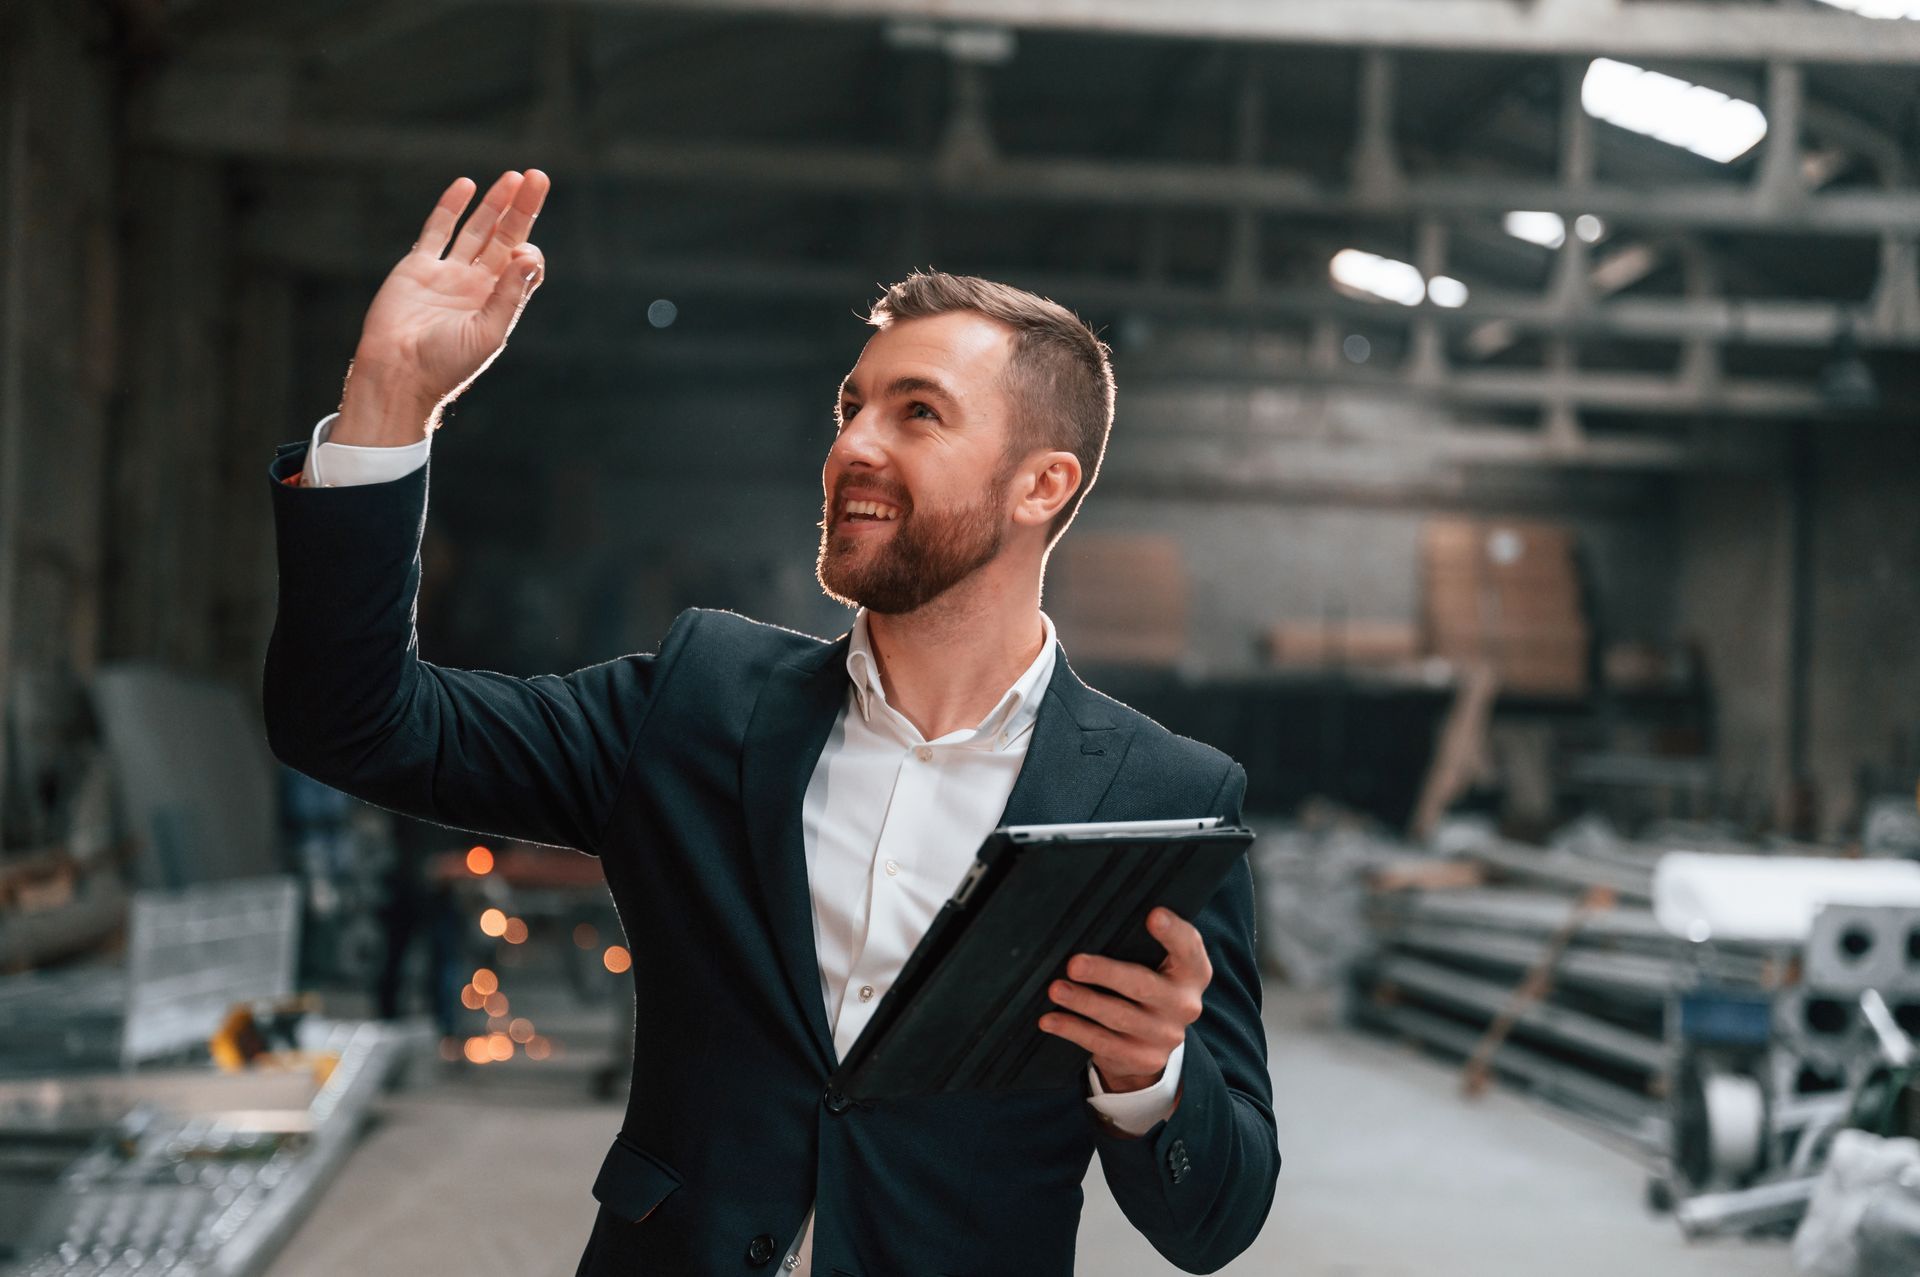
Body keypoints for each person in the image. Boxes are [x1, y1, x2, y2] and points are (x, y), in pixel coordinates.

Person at [263, 169, 1278, 1276]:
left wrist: (1151, 1080)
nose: (852, 446)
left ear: (1042, 484)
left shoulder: (1161, 798)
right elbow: (354, 722)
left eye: (918, 412)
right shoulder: (700, 702)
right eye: (851, 407)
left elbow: (1215, 1222)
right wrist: (387, 403)